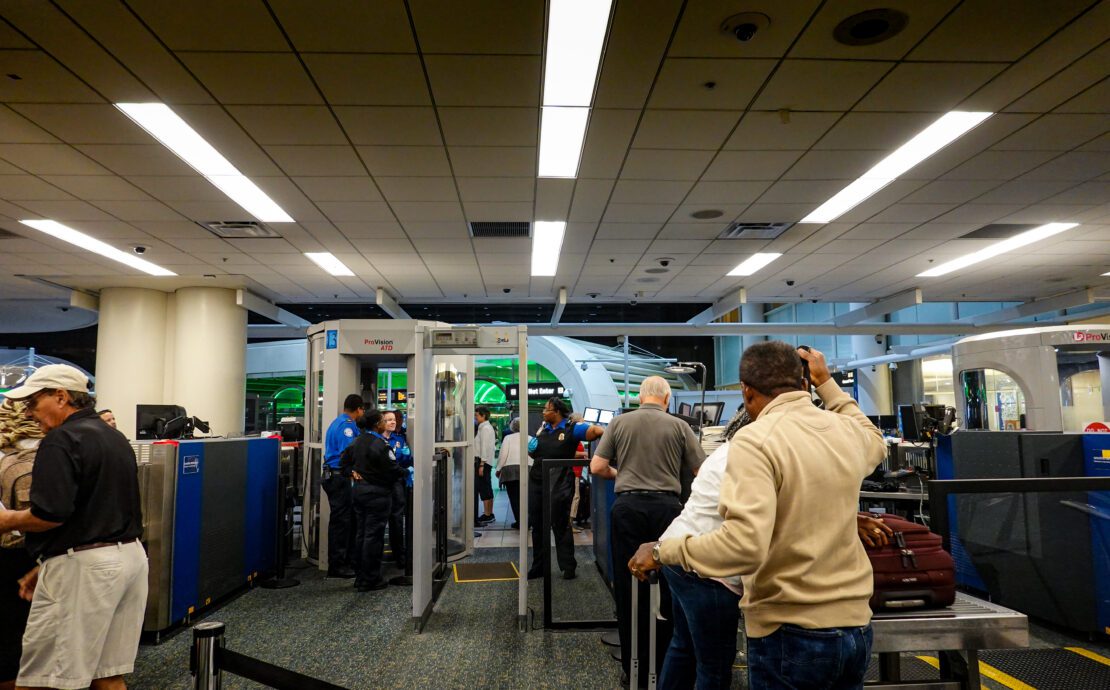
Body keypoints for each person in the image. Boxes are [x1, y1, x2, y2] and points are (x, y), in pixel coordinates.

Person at [629, 344, 886, 689]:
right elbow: (873, 441)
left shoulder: (755, 440)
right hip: (855, 628)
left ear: (746, 391)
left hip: (790, 629)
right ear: (805, 383)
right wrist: (827, 383)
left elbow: (744, 546)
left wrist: (663, 551)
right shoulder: (846, 430)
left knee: (701, 657)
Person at [0, 364, 147, 690]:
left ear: (61, 396)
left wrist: (7, 520)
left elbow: (50, 514)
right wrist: (51, 562)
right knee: (107, 676)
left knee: (42, 681)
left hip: (86, 570)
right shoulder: (114, 437)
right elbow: (95, 510)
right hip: (130, 561)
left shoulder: (61, 440)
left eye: (33, 403)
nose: (30, 413)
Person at [589, 376, 704, 687]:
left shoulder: (619, 423)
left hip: (627, 509)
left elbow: (597, 468)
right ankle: (665, 663)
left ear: (640, 398)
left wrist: (623, 473)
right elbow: (700, 472)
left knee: (628, 587)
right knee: (668, 588)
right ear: (666, 398)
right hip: (667, 510)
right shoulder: (680, 426)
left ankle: (632, 667)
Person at [527, 397, 603, 580]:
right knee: (537, 526)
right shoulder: (543, 429)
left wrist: (596, 429)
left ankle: (568, 566)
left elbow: (596, 431)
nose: (544, 412)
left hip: (560, 483)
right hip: (538, 480)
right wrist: (531, 450)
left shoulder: (572, 428)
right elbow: (535, 452)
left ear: (557, 412)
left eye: (547, 409)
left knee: (560, 525)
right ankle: (539, 567)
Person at [0, 399, 43, 690]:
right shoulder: (52, 453)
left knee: (8, 634)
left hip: (7, 552)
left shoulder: (5, 456)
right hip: (39, 554)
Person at [341, 410, 405, 592]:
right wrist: (406, 473)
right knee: (373, 536)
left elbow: (343, 463)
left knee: (361, 533)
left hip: (359, 492)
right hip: (378, 495)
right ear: (377, 424)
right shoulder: (380, 445)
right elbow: (393, 470)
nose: (386, 422)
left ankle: (360, 576)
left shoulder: (356, 441)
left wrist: (351, 473)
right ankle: (371, 578)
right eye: (383, 420)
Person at [322, 394, 363, 578]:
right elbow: (349, 453)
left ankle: (343, 561)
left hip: (334, 476)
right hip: (339, 478)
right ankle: (337, 565)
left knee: (344, 520)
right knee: (341, 522)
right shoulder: (346, 426)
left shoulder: (337, 422)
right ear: (359, 409)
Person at [381, 409, 411, 568]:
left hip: (396, 483)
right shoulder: (375, 440)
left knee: (397, 520)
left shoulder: (399, 439)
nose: (393, 422)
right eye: (388, 420)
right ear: (381, 423)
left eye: (394, 420)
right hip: (379, 485)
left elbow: (406, 458)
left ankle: (399, 555)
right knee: (378, 522)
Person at [494, 418, 530, 529]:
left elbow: (503, 454)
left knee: (514, 497)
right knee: (527, 497)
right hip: (528, 469)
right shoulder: (531, 438)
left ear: (512, 426)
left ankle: (519, 521)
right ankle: (528, 521)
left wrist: (498, 469)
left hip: (510, 470)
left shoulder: (508, 438)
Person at [473, 406, 496, 525]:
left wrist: (482, 464)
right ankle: (488, 513)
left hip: (482, 462)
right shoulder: (484, 428)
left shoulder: (485, 428)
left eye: (477, 415)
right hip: (484, 462)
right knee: (486, 486)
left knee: (484, 488)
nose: (475, 417)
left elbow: (484, 447)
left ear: (484, 416)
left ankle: (488, 514)